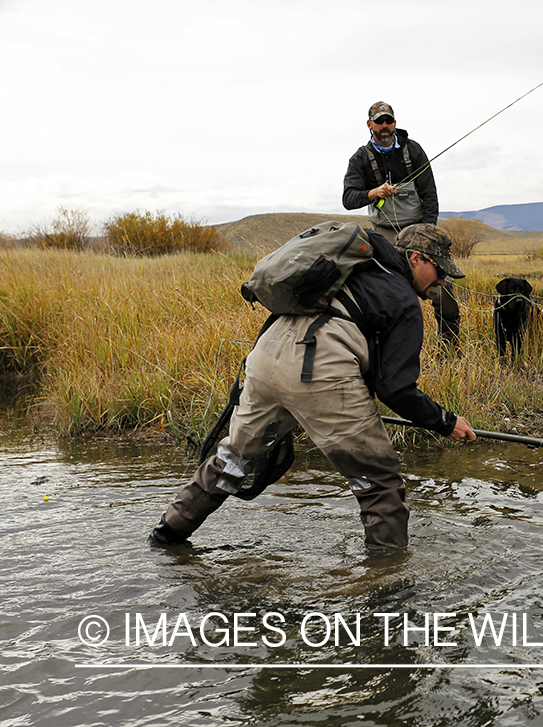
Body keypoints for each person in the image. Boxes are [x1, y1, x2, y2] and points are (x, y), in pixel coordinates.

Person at [148, 223, 476, 552]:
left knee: (232, 460)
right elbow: (396, 388)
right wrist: (444, 422)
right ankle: (389, 584)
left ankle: (166, 535)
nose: (443, 280)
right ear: (416, 258)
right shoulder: (404, 299)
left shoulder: (350, 267)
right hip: (318, 368)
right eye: (439, 270)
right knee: (379, 482)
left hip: (263, 360)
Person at [342, 101, 461, 347]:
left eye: (389, 121)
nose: (384, 127)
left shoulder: (414, 151)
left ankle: (449, 347)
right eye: (379, 122)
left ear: (394, 123)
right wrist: (373, 193)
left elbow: (430, 195)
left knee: (442, 288)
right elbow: (348, 199)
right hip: (383, 234)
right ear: (369, 125)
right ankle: (393, 345)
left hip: (419, 229)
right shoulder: (360, 158)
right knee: (389, 291)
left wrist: (428, 232)